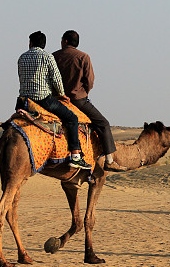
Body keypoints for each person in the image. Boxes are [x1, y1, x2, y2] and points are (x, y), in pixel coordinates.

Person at [53, 30, 127, 172]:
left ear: (65, 41)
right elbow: (90, 80)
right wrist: (83, 92)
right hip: (78, 100)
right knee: (103, 123)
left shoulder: (54, 56)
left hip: (57, 100)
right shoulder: (83, 57)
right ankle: (110, 160)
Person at [18, 31, 91, 169]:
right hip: (43, 99)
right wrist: (62, 94)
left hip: (23, 100)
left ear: (31, 43)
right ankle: (75, 155)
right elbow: (57, 79)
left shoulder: (22, 57)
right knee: (72, 118)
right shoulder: (47, 57)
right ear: (43, 44)